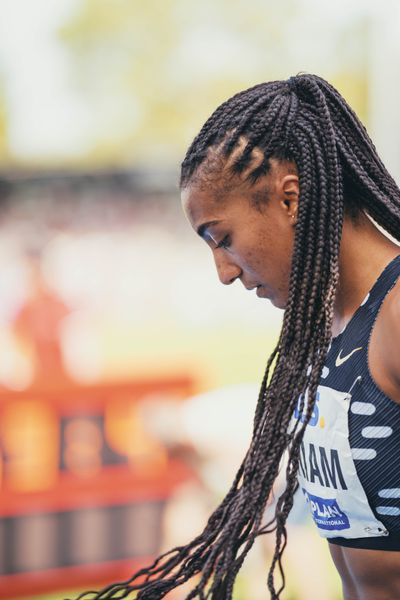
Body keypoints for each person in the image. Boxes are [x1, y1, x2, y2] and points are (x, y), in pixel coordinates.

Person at [74, 74, 400, 599]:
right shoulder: (322, 332)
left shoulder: (397, 315)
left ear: (289, 198)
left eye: (222, 239)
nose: (225, 272)